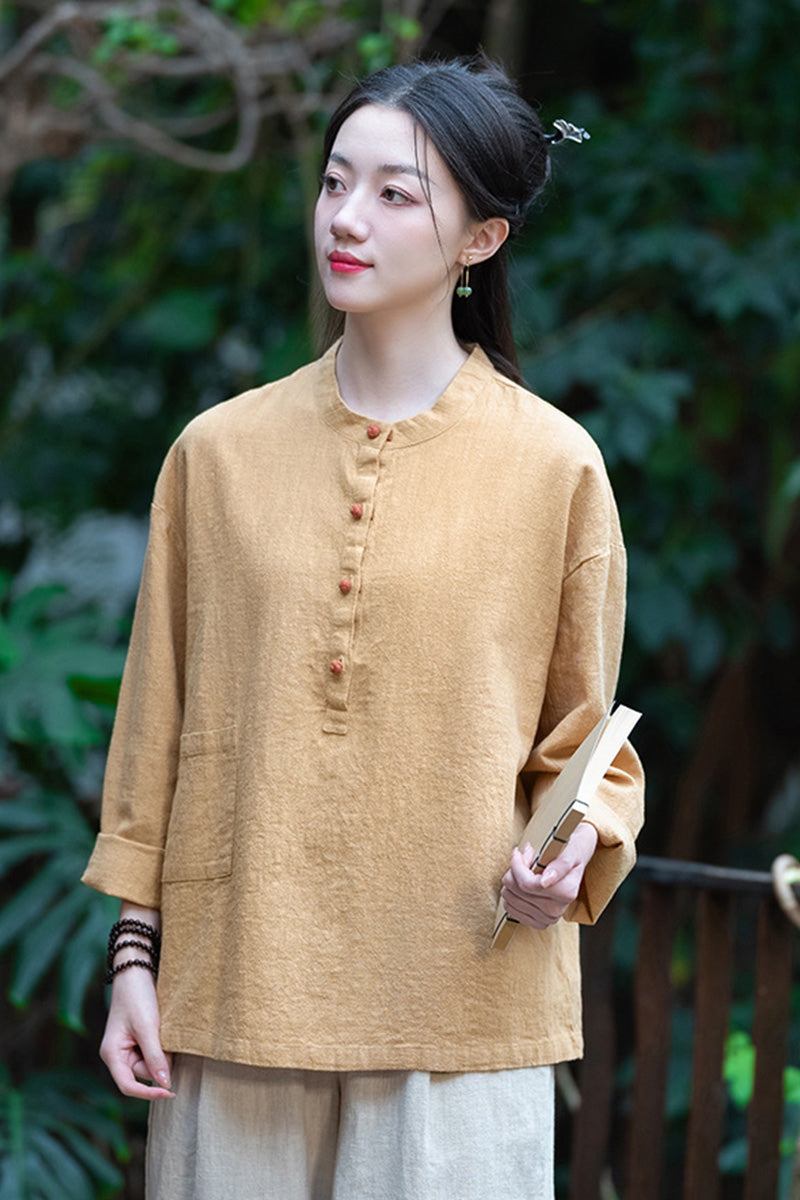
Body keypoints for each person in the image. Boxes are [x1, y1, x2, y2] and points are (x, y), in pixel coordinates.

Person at [80, 50, 644, 1200]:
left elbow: (587, 746)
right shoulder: (216, 455)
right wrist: (134, 953)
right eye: (335, 182)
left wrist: (576, 847)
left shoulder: (554, 467)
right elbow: (158, 730)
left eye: (394, 193)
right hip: (233, 995)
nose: (345, 217)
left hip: (461, 1009)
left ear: (480, 238)